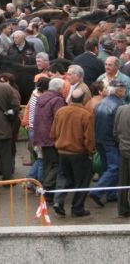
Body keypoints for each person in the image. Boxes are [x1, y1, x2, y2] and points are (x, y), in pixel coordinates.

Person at [51, 89, 95, 217]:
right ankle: (77, 208)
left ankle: (58, 202)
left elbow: (53, 133)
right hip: (79, 153)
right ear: (84, 99)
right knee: (83, 181)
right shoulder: (86, 115)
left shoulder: (61, 111)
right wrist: (90, 152)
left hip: (62, 151)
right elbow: (89, 139)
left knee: (64, 177)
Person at [88, 80, 125, 207]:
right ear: (118, 90)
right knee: (115, 167)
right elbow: (117, 127)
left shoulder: (101, 103)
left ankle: (111, 194)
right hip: (110, 142)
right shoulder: (119, 105)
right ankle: (97, 191)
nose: (125, 92)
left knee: (107, 168)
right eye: (123, 89)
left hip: (100, 140)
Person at [114, 97, 130, 217]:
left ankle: (122, 208)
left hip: (123, 148)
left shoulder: (121, 109)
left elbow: (115, 131)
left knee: (124, 180)